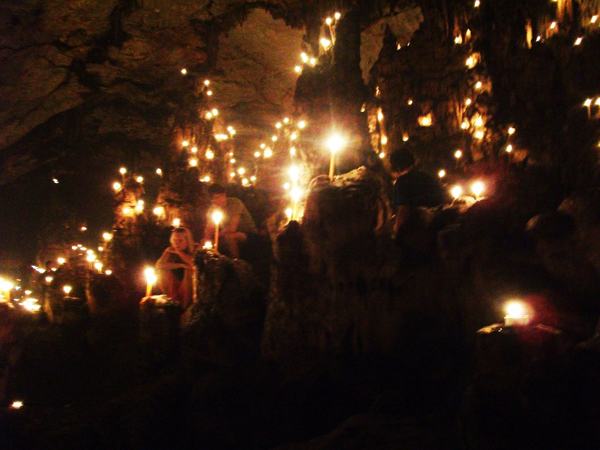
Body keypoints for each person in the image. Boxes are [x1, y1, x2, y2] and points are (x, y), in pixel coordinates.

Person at [390, 148, 445, 263]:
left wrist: (396, 234)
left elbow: (403, 210)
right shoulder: (427, 177)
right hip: (435, 230)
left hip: (414, 235)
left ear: (397, 167)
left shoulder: (402, 182)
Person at [203, 183, 257, 259]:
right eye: (213, 199)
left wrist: (217, 235)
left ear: (224, 195)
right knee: (205, 242)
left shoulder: (235, 203)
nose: (215, 201)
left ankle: (236, 264)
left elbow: (232, 228)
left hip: (247, 232)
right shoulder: (212, 210)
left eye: (217, 198)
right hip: (224, 234)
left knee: (230, 237)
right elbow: (209, 231)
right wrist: (208, 237)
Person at [155, 227, 195, 309]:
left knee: (188, 271)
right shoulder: (170, 250)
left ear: (187, 241)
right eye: (174, 240)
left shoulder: (195, 249)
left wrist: (179, 253)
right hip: (174, 284)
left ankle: (184, 306)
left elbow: (194, 264)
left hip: (190, 286)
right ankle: (170, 299)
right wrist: (181, 265)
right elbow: (159, 265)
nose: (176, 244)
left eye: (180, 241)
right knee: (161, 271)